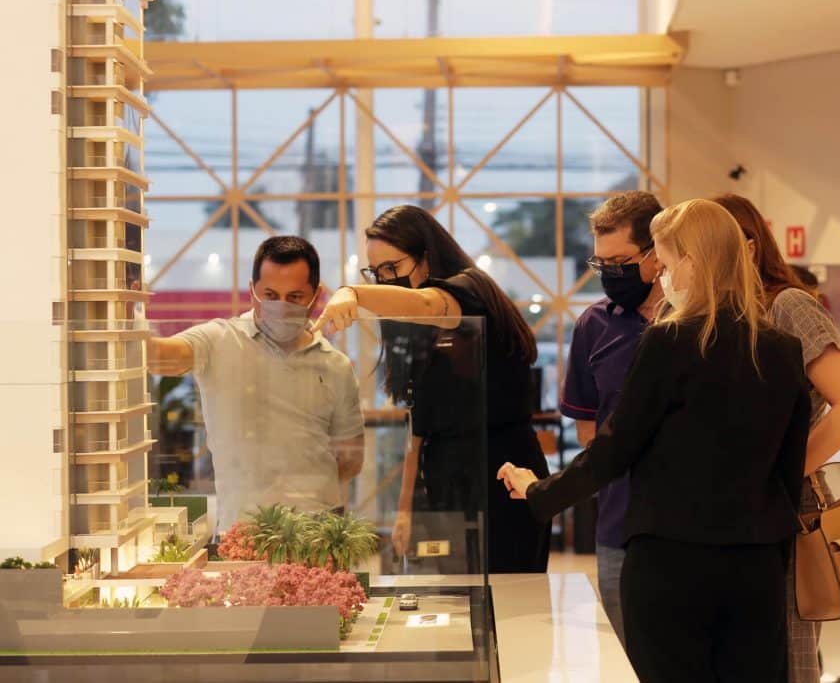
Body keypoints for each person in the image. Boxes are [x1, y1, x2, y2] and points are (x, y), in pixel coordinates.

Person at [499, 198, 810, 682]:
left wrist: (540, 491)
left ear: (691, 261)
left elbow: (615, 447)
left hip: (671, 564)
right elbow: (789, 469)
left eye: (663, 264)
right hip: (757, 568)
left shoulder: (668, 342)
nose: (661, 278)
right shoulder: (782, 350)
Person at [315, 205, 550, 573]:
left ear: (426, 256)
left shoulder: (468, 289)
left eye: (393, 268)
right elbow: (419, 423)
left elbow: (429, 303)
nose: (385, 279)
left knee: (508, 600)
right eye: (376, 273)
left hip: (504, 472)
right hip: (445, 479)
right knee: (451, 604)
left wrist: (353, 293)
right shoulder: (415, 328)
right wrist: (405, 508)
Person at [714, 193, 840, 683]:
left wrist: (786, 469)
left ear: (746, 247)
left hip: (787, 511)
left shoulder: (788, 305)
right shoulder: (720, 316)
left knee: (789, 657)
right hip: (730, 513)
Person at [147, 236, 366, 532]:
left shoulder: (335, 365)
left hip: (316, 533)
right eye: (270, 295)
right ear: (252, 292)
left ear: (315, 296)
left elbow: (350, 459)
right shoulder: (218, 339)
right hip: (242, 533)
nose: (281, 306)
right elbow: (164, 357)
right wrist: (124, 317)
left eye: (295, 297)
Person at [560, 190, 663, 643]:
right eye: (601, 264)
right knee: (626, 656)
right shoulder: (593, 326)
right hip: (618, 527)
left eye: (620, 261)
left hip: (689, 529)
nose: (610, 275)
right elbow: (588, 434)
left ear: (657, 253)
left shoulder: (696, 321)